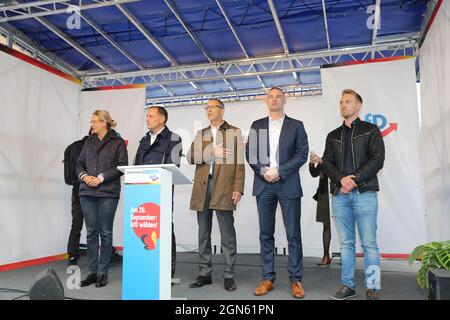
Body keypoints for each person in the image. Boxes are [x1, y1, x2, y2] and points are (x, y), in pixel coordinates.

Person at [245, 87, 309, 299]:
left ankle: (296, 280)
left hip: (288, 183)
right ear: (266, 100)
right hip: (264, 185)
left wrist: (280, 172)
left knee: (293, 235)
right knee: (265, 234)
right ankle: (267, 278)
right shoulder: (257, 125)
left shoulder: (296, 125)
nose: (274, 100)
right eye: (270, 97)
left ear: (284, 100)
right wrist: (265, 172)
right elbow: (250, 153)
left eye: (278, 96)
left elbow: (302, 154)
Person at [323, 89, 385, 300]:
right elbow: (327, 163)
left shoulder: (371, 130)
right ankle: (347, 285)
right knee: (346, 244)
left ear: (358, 106)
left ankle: (373, 287)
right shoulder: (332, 135)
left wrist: (354, 179)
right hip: (340, 195)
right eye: (341, 102)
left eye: (347, 101)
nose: (343, 105)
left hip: (364, 193)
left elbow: (377, 159)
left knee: (369, 244)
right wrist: (341, 180)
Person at [187, 98, 245, 292]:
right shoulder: (201, 133)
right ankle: (205, 273)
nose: (209, 110)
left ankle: (229, 275)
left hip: (224, 187)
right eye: (207, 108)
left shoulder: (234, 132)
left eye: (212, 107)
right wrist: (211, 151)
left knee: (227, 235)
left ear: (222, 111)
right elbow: (190, 156)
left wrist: (238, 187)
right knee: (203, 233)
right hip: (203, 187)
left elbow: (239, 164)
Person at [76, 110, 128, 288]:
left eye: (95, 121)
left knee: (105, 232)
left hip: (108, 192)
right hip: (87, 192)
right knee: (91, 233)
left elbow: (122, 166)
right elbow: (79, 163)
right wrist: (84, 176)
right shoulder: (88, 141)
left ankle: (102, 272)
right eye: (91, 121)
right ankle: (91, 272)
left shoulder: (118, 142)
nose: (92, 124)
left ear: (104, 123)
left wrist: (101, 177)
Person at [134, 106, 182, 280]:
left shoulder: (174, 139)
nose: (147, 119)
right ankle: (147, 268)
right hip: (142, 192)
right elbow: (136, 164)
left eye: (151, 116)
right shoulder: (144, 139)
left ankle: (167, 272)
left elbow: (174, 166)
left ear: (162, 119)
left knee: (164, 230)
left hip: (161, 191)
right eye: (147, 116)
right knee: (144, 230)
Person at [65, 130, 90, 266]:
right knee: (96, 227)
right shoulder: (91, 146)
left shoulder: (75, 146)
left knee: (76, 225)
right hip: (91, 188)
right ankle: (97, 256)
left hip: (77, 189)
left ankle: (72, 255)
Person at [309, 152, 332, 267]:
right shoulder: (326, 155)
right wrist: (312, 163)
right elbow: (314, 173)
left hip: (340, 191)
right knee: (326, 224)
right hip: (325, 193)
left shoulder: (343, 154)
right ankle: (326, 255)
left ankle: (347, 256)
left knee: (345, 225)